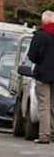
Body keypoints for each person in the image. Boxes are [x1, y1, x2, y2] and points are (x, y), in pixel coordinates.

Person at [29, 10, 54, 144]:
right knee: (53, 105)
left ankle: (45, 135)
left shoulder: (40, 36)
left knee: (44, 105)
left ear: (43, 21)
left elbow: (32, 56)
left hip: (43, 74)